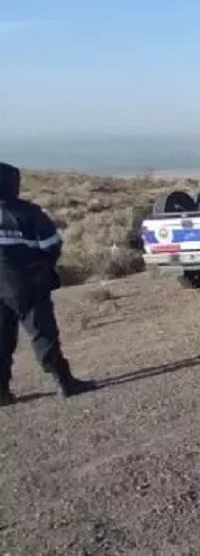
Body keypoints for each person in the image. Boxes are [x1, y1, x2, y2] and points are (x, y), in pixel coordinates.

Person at [0, 162, 97, 405]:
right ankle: (65, 381)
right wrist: (44, 269)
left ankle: (1, 392)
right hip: (26, 282)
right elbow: (51, 245)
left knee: (1, 337)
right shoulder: (28, 212)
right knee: (43, 333)